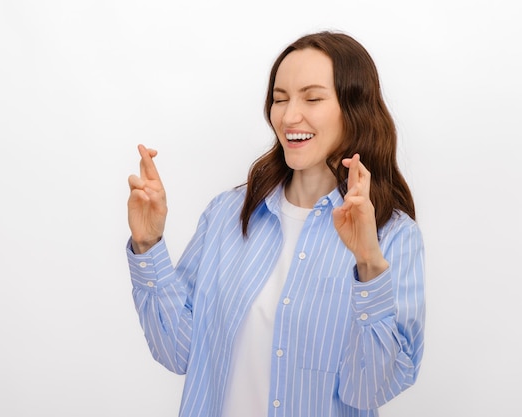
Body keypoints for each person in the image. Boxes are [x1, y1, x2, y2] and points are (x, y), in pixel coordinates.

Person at [126, 30, 425, 417]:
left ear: (355, 110)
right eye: (279, 99)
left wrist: (368, 263)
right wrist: (148, 246)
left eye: (312, 98)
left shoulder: (394, 236)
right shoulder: (226, 214)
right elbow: (179, 350)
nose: (288, 116)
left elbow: (370, 390)